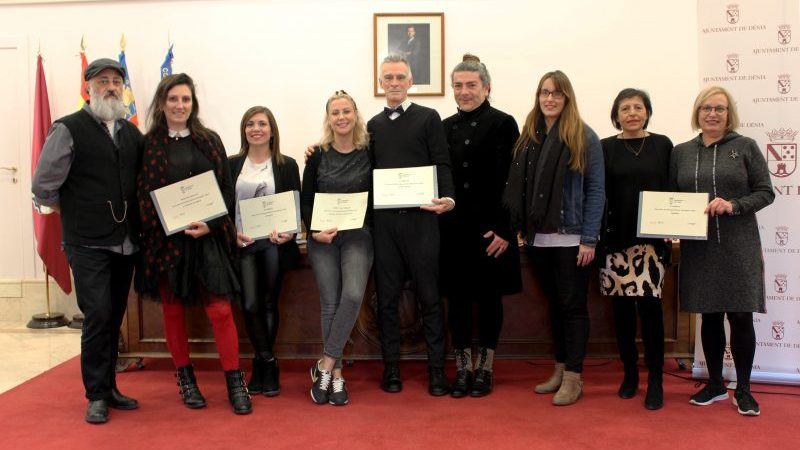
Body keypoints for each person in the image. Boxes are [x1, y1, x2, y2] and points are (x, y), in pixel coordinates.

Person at [32, 58, 143, 424]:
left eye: (116, 81)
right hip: (87, 243)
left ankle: (110, 387)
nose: (110, 87)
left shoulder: (131, 133)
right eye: (103, 81)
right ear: (89, 87)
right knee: (97, 315)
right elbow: (43, 185)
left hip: (126, 242)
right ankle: (95, 394)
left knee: (113, 318)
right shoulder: (68, 128)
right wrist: (74, 211)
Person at [136, 73, 251, 415]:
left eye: (185, 99)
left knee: (220, 310)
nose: (179, 105)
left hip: (208, 238)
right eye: (173, 99)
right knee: (173, 312)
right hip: (168, 243)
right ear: (162, 103)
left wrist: (210, 224)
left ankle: (235, 382)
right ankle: (186, 380)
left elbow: (226, 189)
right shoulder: (150, 144)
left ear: (193, 104)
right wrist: (169, 224)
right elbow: (143, 193)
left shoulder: (209, 140)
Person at [670, 86, 773, 416]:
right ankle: (715, 384)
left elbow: (766, 192)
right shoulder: (681, 152)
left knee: (741, 315)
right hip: (698, 249)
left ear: (729, 114)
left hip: (739, 245)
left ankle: (743, 389)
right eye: (706, 108)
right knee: (709, 314)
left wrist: (734, 205)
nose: (712, 114)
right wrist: (667, 222)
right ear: (697, 113)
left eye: (720, 108)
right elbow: (672, 196)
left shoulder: (745, 147)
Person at [504, 70, 604, 406]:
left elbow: (596, 191)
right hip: (538, 239)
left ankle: (574, 377)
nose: (549, 99)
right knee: (556, 307)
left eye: (556, 93)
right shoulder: (530, 135)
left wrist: (589, 239)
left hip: (572, 238)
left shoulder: (583, 137)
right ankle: (560, 369)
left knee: (573, 306)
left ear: (567, 98)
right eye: (544, 92)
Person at [370, 54, 455, 396]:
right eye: (388, 77)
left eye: (399, 77)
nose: (394, 82)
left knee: (430, 297)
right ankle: (391, 368)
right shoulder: (371, 125)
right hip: (385, 224)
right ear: (380, 83)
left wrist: (448, 197)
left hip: (422, 221)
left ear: (410, 81)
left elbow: (441, 162)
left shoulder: (428, 118)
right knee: (387, 299)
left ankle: (436, 370)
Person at [440, 54, 521, 398]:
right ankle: (463, 368)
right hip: (453, 230)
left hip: (492, 231)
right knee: (457, 302)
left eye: (471, 85)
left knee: (489, 301)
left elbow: (515, 180)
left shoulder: (504, 123)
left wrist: (506, 229)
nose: (464, 91)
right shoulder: (443, 127)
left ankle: (485, 369)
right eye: (458, 85)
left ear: (486, 87)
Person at [598, 88, 673, 410]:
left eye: (638, 107)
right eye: (625, 108)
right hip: (615, 243)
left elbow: (672, 189)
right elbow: (597, 193)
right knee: (623, 316)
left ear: (647, 112)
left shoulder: (663, 144)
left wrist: (673, 228)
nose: (632, 113)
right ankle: (629, 375)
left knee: (652, 315)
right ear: (616, 115)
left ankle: (655, 379)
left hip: (651, 245)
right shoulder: (604, 147)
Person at [302, 91, 373, 406]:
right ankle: (338, 376)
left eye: (346, 111)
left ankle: (326, 364)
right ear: (328, 119)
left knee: (353, 295)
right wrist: (315, 232)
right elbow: (306, 200)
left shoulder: (370, 152)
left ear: (356, 115)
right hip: (323, 239)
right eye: (335, 113)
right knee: (330, 303)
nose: (341, 117)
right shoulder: (317, 155)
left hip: (358, 235)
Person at [228, 106, 300, 397]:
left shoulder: (287, 164)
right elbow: (223, 206)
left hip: (273, 245)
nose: (256, 129)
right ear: (244, 130)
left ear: (272, 131)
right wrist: (230, 233)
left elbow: (295, 204)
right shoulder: (231, 164)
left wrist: (289, 232)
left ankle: (262, 368)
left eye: (262, 124)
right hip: (243, 243)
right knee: (249, 304)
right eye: (250, 124)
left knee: (269, 303)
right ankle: (268, 361)